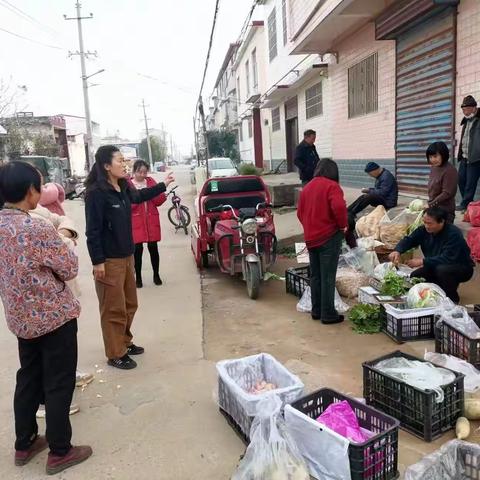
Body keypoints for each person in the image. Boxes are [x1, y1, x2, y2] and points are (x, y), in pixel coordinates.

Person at [0, 161, 92, 475]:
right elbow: (69, 268)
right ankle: (60, 450)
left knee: (28, 378)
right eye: (40, 185)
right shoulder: (36, 227)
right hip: (54, 319)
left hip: (21, 320)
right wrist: (66, 239)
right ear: (30, 191)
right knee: (58, 383)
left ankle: (24, 443)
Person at [85, 146, 174, 370]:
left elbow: (140, 196)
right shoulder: (97, 193)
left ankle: (124, 341)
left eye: (125, 160)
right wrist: (97, 261)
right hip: (109, 261)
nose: (124, 164)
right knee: (113, 308)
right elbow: (93, 230)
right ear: (106, 166)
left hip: (127, 256)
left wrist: (164, 184)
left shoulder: (123, 186)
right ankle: (115, 353)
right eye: (119, 160)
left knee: (129, 304)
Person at [31, 196, 94, 419]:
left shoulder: (34, 214)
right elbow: (66, 263)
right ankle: (58, 440)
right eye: (36, 186)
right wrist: (64, 238)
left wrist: (62, 234)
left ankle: (32, 435)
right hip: (46, 306)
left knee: (50, 359)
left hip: (38, 305)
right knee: (50, 358)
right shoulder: (29, 225)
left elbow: (63, 219)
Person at [297, 159, 348, 324]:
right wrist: (343, 226)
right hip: (328, 237)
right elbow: (339, 208)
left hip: (311, 238)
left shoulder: (307, 187)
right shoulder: (332, 186)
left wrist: (309, 226)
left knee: (316, 275)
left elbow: (300, 213)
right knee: (328, 276)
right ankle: (328, 314)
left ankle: (316, 310)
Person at [389, 207, 474, 304]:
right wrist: (397, 250)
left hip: (461, 267)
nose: (426, 226)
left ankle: (452, 299)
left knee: (442, 271)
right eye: (424, 222)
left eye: (429, 223)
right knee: (415, 277)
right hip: (435, 264)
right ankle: (438, 289)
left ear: (441, 222)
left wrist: (422, 261)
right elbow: (409, 239)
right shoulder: (423, 230)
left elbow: (448, 258)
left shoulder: (454, 234)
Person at [129, 160, 167, 288]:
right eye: (140, 172)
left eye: (145, 172)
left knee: (153, 248)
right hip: (136, 221)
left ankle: (156, 274)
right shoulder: (129, 185)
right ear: (134, 172)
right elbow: (129, 204)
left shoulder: (150, 182)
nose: (142, 174)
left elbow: (158, 200)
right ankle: (138, 278)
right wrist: (141, 196)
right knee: (137, 250)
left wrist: (159, 194)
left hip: (150, 220)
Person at [426, 141, 458, 224]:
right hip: (434, 209)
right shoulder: (434, 167)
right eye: (430, 157)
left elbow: (447, 193)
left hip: (445, 212)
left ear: (443, 155)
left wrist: (431, 204)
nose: (433, 159)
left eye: (435, 156)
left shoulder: (450, 170)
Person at [457, 95, 480, 212]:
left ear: (473, 108)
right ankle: (467, 203)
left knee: (470, 183)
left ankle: (466, 204)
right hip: (465, 157)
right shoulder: (466, 121)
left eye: (466, 109)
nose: (464, 112)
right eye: (463, 110)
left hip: (475, 158)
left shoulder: (478, 119)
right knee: (460, 179)